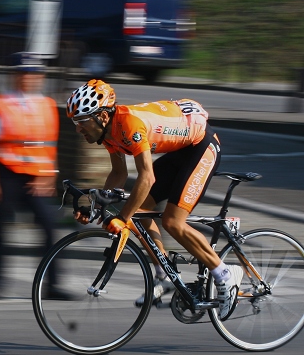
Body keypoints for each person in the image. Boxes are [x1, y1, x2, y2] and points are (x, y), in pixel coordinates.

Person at [66, 79, 243, 318]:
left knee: (173, 221)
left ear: (102, 117)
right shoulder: (108, 134)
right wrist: (94, 207)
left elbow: (146, 177)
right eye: (75, 123)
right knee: (140, 210)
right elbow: (119, 174)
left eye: (82, 122)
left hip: (202, 146)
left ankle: (225, 274)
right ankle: (165, 274)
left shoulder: (128, 126)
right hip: (180, 150)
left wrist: (122, 217)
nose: (78, 129)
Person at [0, 52, 69, 300]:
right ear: (14, 76)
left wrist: (49, 176)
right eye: (23, 72)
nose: (28, 77)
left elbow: (50, 144)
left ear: (41, 76)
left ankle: (52, 286)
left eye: (33, 73)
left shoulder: (47, 105)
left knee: (49, 225)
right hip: (5, 174)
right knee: (1, 228)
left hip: (36, 176)